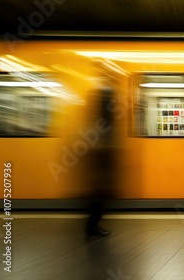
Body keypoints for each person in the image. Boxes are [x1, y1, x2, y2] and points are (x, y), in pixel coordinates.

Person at [84, 76, 119, 239]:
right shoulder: (105, 99)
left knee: (98, 192)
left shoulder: (98, 97)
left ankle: (93, 225)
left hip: (97, 153)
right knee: (99, 192)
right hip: (101, 153)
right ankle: (92, 226)